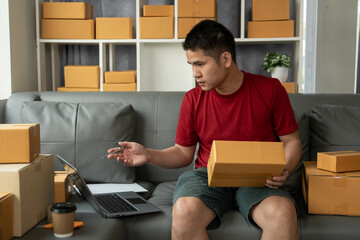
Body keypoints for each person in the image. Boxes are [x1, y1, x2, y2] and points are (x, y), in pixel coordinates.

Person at [107, 20, 302, 240]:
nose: (194, 73)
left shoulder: (271, 90)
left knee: (283, 213)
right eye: (191, 64)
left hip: (258, 178)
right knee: (183, 212)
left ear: (226, 59)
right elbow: (183, 153)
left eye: (200, 64)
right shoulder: (192, 99)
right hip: (208, 177)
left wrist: (285, 167)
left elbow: (292, 142)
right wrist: (149, 154)